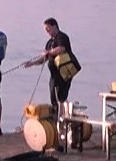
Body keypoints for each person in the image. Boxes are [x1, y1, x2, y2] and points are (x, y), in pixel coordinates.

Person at [26, 17, 80, 146]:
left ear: (54, 26)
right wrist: (32, 63)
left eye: (48, 29)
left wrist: (49, 52)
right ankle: (57, 123)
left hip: (63, 75)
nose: (47, 32)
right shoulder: (49, 42)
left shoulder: (62, 37)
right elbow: (44, 58)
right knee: (54, 99)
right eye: (46, 30)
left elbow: (61, 49)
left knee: (61, 98)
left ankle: (63, 126)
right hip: (53, 76)